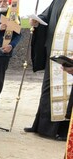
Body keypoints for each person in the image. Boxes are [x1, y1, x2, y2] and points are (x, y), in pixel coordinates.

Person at [25, 0, 72, 140]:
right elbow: (45, 17)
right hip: (55, 54)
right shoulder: (58, 0)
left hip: (71, 56)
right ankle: (42, 127)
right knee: (48, 90)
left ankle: (63, 131)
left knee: (68, 95)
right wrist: (37, 21)